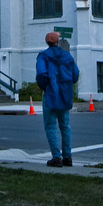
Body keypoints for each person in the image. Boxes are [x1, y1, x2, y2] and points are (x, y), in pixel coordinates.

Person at [35, 31, 79, 167]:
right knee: (65, 126)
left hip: (50, 95)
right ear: (57, 42)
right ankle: (67, 156)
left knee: (50, 126)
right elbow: (75, 74)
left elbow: (41, 74)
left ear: (47, 43)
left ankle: (56, 157)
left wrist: (45, 87)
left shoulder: (43, 56)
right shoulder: (67, 56)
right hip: (65, 95)